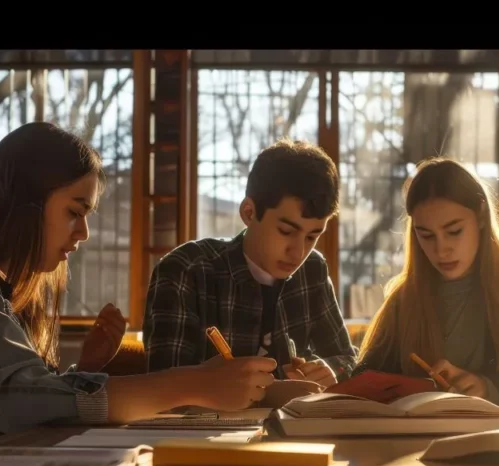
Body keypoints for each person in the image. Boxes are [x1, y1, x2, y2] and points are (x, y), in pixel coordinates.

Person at [0, 123, 276, 466]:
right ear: (24, 203)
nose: (84, 233)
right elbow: (11, 400)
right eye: (75, 211)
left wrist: (88, 367)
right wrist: (193, 383)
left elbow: (12, 397)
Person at [355, 157, 499, 408]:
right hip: (419, 438)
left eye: (454, 231)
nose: (441, 249)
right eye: (426, 235)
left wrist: (487, 388)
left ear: (480, 216)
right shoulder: (404, 298)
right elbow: (362, 380)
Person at [143, 139, 356, 388]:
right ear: (249, 213)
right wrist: (214, 382)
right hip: (209, 426)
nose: (299, 252)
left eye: (312, 236)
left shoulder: (313, 270)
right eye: (286, 231)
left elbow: (347, 357)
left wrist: (332, 370)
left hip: (292, 425)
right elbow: (161, 387)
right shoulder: (187, 270)